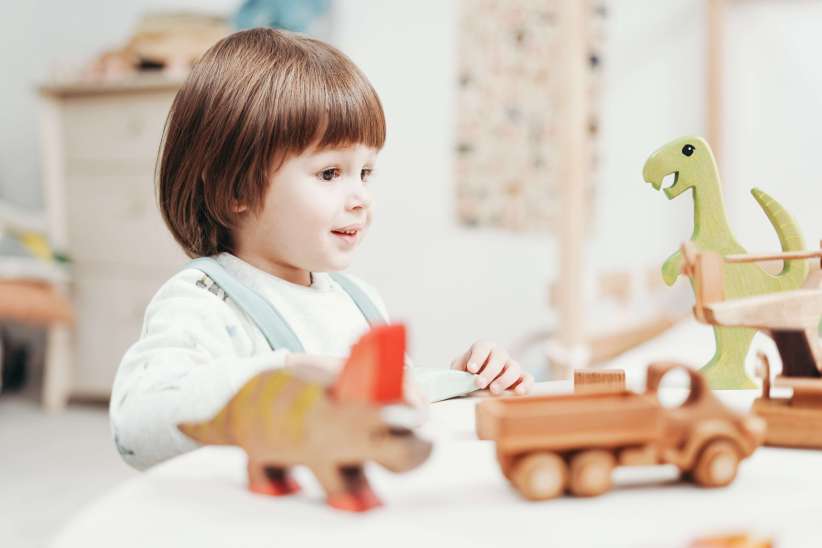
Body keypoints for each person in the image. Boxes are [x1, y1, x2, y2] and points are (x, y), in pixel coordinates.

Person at [110, 28, 533, 471]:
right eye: (330, 173)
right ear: (236, 188)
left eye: (365, 171)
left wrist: (466, 380)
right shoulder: (203, 301)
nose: (360, 197)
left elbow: (387, 402)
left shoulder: (357, 299)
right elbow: (136, 425)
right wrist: (289, 373)